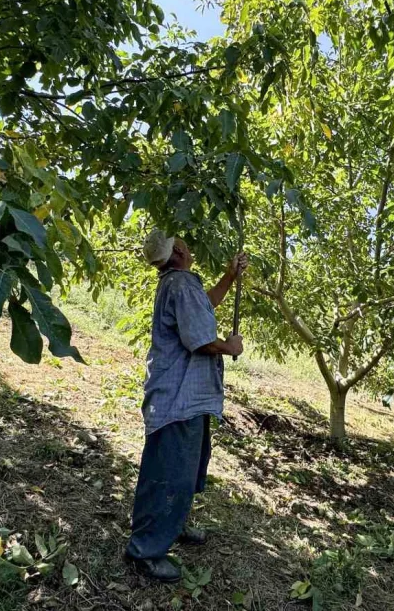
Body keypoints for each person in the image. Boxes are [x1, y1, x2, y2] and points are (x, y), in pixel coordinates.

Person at [124, 230, 247, 582]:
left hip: (187, 398)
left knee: (186, 469)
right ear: (179, 250)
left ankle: (172, 524)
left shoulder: (179, 285)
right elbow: (201, 340)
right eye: (185, 243)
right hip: (178, 398)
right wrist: (230, 347)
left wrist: (229, 275)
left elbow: (204, 304)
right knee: (169, 472)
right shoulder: (180, 285)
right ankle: (144, 550)